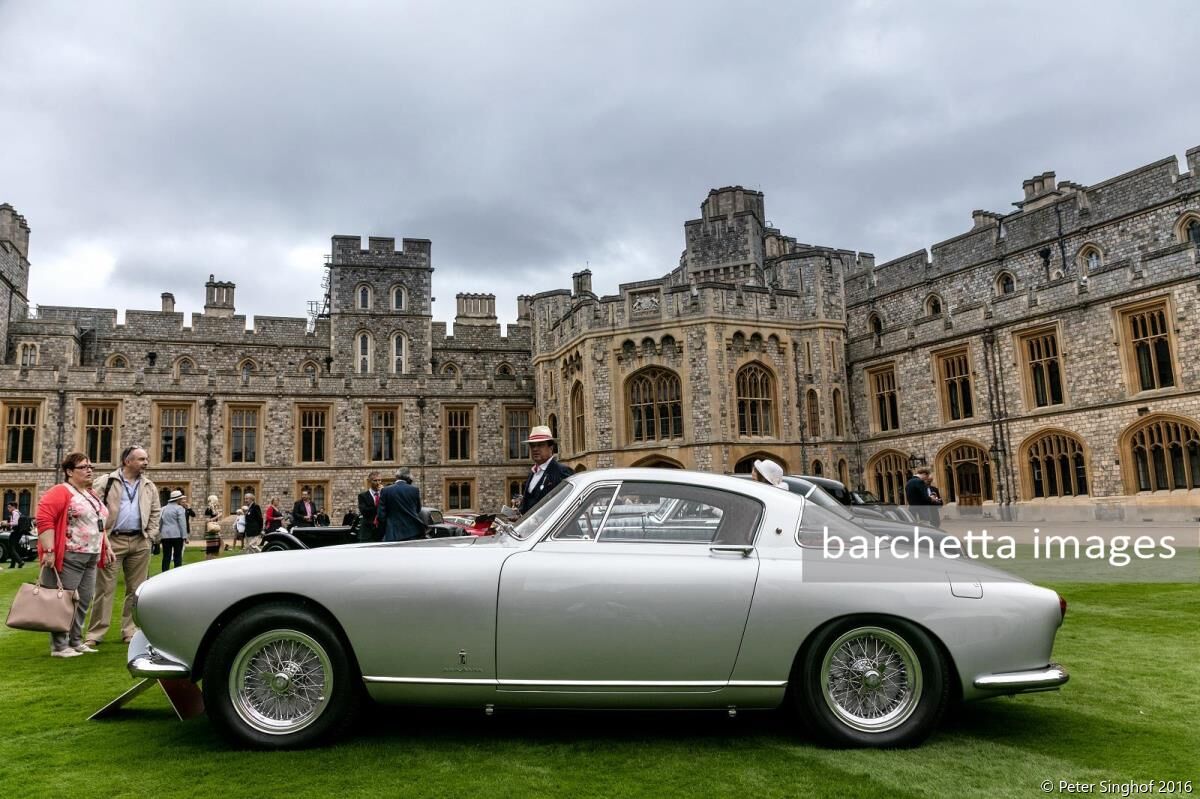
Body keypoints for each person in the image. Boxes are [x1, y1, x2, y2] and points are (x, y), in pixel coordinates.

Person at [35, 452, 112, 657]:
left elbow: (98, 523)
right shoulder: (61, 491)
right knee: (64, 600)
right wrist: (49, 550)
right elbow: (44, 519)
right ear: (69, 471)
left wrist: (107, 546)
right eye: (84, 467)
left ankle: (76, 641)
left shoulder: (90, 493)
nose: (89, 470)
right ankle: (59, 646)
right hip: (70, 554)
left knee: (85, 598)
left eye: (91, 467)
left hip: (91, 554)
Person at [85, 445, 160, 647]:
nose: (146, 462)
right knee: (104, 589)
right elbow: (91, 508)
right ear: (128, 461)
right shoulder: (106, 481)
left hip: (139, 541)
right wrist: (101, 536)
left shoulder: (148, 486)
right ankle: (96, 633)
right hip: (112, 541)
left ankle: (130, 631)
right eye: (142, 459)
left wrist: (150, 536)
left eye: (146, 459)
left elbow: (155, 512)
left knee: (135, 591)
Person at [519, 425, 573, 514]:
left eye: (540, 445)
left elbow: (569, 504)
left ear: (551, 448)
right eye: (532, 446)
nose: (535, 449)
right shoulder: (532, 473)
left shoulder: (562, 471)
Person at [378, 468, 424, 542]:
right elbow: (418, 509)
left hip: (393, 532)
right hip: (413, 531)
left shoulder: (385, 490)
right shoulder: (414, 490)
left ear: (397, 477)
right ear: (408, 477)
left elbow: (381, 515)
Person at [158, 490, 189, 571]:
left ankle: (164, 574)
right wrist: (185, 536)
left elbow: (160, 522)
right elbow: (182, 524)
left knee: (166, 556)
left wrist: (159, 534)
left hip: (165, 536)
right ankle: (176, 574)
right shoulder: (179, 508)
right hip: (177, 535)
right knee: (177, 556)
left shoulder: (163, 509)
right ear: (178, 499)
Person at [356, 471, 384, 542]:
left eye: (379, 480)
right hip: (368, 532)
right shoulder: (363, 496)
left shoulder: (384, 494)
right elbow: (364, 511)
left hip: (382, 531)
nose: (378, 483)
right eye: (375, 480)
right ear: (370, 481)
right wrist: (379, 505)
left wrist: (383, 494)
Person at [3, 501, 23, 568]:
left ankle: (20, 561)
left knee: (11, 548)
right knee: (14, 548)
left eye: (9, 507)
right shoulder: (18, 512)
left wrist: (7, 524)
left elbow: (15, 523)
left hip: (15, 531)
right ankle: (12, 564)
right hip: (18, 532)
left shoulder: (15, 512)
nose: (8, 508)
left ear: (13, 507)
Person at [203, 494, 222, 559]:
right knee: (211, 548)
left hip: (215, 530)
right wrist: (218, 516)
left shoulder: (214, 509)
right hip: (211, 531)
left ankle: (212, 560)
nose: (217, 502)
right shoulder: (208, 509)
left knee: (216, 547)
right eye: (216, 500)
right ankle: (208, 561)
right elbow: (207, 521)